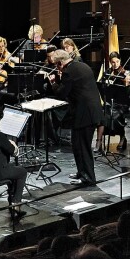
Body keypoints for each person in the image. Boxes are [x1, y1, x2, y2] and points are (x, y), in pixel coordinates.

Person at [51, 47, 104, 184]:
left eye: (56, 65)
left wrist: (53, 82)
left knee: (83, 146)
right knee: (77, 144)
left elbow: (62, 94)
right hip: (90, 111)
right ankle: (82, 172)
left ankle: (88, 178)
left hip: (85, 114)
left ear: (60, 63)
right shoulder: (82, 65)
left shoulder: (69, 71)